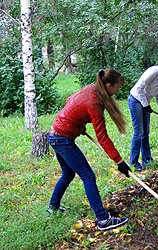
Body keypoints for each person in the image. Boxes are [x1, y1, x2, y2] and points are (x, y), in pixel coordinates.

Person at [47, 68, 132, 231]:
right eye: (117, 87)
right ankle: (103, 220)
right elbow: (102, 137)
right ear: (108, 85)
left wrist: (77, 124)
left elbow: (69, 100)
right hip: (62, 139)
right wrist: (119, 162)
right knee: (88, 175)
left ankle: (53, 207)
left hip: (55, 134)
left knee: (68, 173)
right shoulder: (95, 103)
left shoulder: (92, 88)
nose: (118, 90)